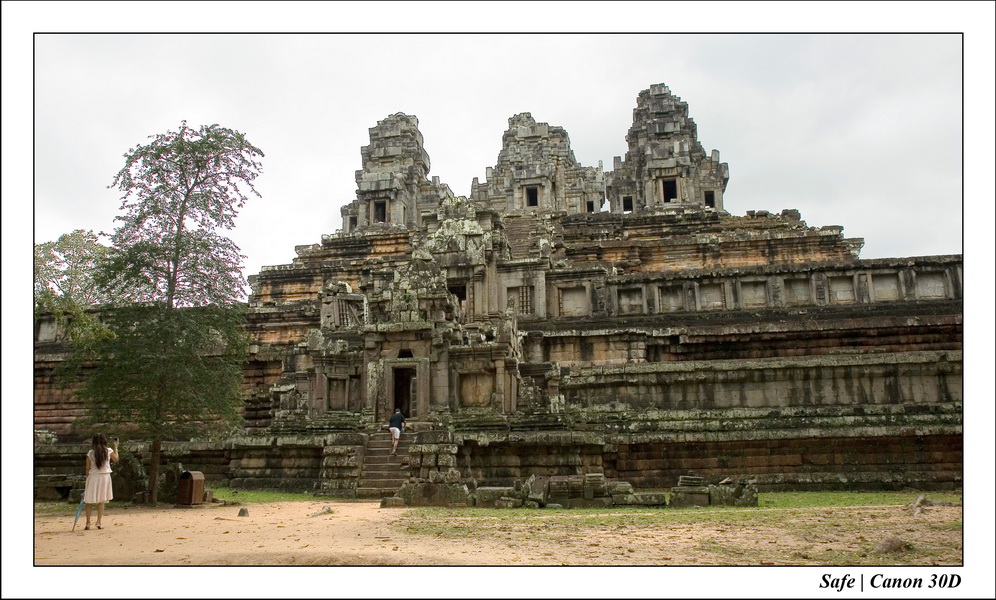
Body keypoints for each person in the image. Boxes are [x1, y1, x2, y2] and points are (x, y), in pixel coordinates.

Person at [83, 433, 118, 530]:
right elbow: (116, 459)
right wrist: (116, 447)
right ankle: (98, 522)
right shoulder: (108, 451)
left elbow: (87, 468)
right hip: (104, 477)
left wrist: (87, 480)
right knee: (101, 501)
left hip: (93, 477)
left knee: (89, 501)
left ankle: (88, 523)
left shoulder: (90, 453)